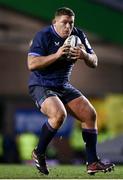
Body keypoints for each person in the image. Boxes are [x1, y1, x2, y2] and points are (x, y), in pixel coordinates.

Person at [27, 7, 115, 175]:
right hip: (41, 84)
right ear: (55, 22)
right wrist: (57, 54)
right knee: (59, 115)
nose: (68, 26)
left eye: (71, 23)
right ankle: (39, 153)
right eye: (64, 23)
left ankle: (92, 162)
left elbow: (94, 61)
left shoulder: (78, 35)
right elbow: (32, 64)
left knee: (90, 115)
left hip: (62, 85)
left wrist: (84, 55)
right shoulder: (43, 35)